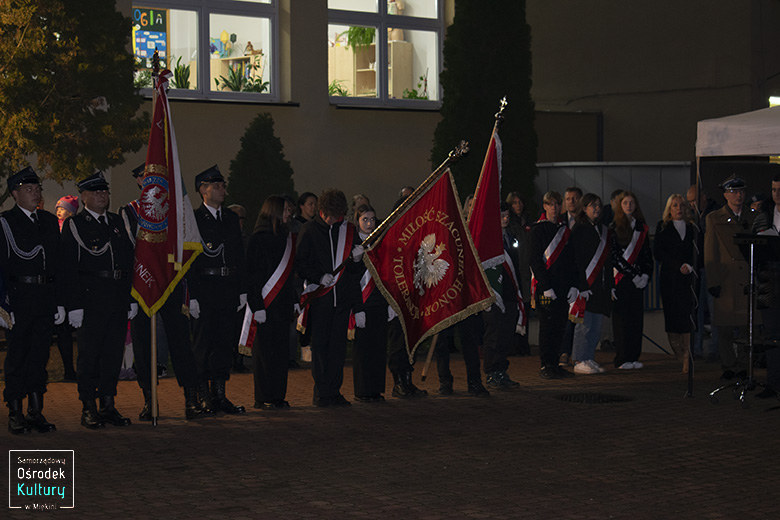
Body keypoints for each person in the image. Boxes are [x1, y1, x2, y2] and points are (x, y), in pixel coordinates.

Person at [120, 163, 205, 421]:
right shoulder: (129, 211)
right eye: (145, 178)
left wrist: (193, 294)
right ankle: (149, 400)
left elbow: (186, 252)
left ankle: (191, 398)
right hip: (142, 288)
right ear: (138, 182)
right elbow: (128, 252)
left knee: (181, 344)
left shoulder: (175, 212)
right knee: (144, 348)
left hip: (170, 285)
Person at [61, 171, 136, 429]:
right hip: (90, 299)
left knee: (112, 355)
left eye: (104, 191)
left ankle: (107, 404)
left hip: (116, 298)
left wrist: (130, 299)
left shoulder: (116, 223)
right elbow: (68, 268)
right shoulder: (75, 225)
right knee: (89, 356)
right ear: (83, 197)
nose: (102, 195)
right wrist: (74, 305)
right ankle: (88, 406)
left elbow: (127, 263)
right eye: (95, 192)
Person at [0, 167, 63, 434]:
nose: (35, 192)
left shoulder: (48, 221)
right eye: (28, 189)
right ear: (15, 194)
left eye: (37, 188)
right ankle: (15, 411)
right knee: (17, 356)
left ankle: (35, 411)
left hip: (45, 297)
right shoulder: (5, 222)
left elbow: (58, 263)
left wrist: (60, 300)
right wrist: (2, 304)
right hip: (19, 297)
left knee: (39, 355)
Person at [294, 188, 362, 407]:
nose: (333, 219)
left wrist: (358, 260)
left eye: (337, 215)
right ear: (322, 211)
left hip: (342, 300)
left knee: (338, 349)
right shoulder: (310, 230)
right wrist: (318, 276)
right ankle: (321, 392)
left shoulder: (349, 231)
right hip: (321, 299)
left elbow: (354, 274)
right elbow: (301, 263)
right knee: (321, 347)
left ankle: (334, 391)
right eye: (329, 215)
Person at [189, 165, 247, 414]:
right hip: (204, 288)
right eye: (216, 186)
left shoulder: (231, 218)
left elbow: (238, 256)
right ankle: (203, 396)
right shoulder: (193, 218)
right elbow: (189, 260)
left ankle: (219, 395)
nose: (222, 190)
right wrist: (191, 295)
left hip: (227, 287)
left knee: (224, 344)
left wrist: (241, 289)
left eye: (223, 186)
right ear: (203, 190)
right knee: (203, 345)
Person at [704, 174, 757, 380]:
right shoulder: (714, 218)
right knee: (725, 327)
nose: (739, 195)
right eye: (734, 192)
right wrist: (713, 281)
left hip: (747, 278)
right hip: (725, 278)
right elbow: (711, 252)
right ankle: (727, 365)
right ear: (725, 194)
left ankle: (744, 365)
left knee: (746, 326)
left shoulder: (753, 216)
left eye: (742, 191)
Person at [247, 196, 297, 410]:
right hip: (265, 306)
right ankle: (263, 396)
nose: (289, 214)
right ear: (274, 211)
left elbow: (291, 275)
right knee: (265, 355)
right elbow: (252, 275)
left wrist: (295, 300)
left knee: (280, 354)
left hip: (283, 306)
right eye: (285, 210)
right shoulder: (259, 238)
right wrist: (257, 305)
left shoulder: (287, 238)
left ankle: (278, 395)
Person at [528, 191, 577, 379]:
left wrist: (574, 285)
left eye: (558, 204)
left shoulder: (565, 230)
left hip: (564, 287)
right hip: (546, 288)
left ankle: (555, 363)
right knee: (547, 327)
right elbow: (534, 260)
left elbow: (572, 260)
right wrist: (546, 286)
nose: (555, 208)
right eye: (551, 204)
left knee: (560, 327)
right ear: (545, 206)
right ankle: (545, 365)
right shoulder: (537, 230)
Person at [610, 191, 653, 369]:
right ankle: (622, 358)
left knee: (636, 320)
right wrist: (633, 275)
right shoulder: (613, 227)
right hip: (622, 280)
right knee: (621, 321)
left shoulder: (641, 228)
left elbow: (647, 256)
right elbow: (615, 257)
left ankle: (634, 356)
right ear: (620, 205)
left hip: (638, 281)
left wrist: (645, 276)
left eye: (632, 202)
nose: (629, 205)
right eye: (625, 202)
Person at [570, 193, 612, 374]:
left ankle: (589, 357)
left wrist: (610, 285)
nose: (596, 208)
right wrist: (582, 285)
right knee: (584, 325)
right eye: (592, 205)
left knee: (596, 325)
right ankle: (579, 359)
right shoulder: (579, 229)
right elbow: (576, 260)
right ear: (584, 208)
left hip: (600, 286)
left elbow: (608, 260)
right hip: (586, 285)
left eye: (598, 205)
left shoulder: (602, 229)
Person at [654, 194, 696, 373]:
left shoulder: (693, 228)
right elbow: (659, 252)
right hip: (670, 279)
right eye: (675, 206)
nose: (678, 208)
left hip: (688, 280)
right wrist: (678, 265)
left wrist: (690, 265)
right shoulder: (663, 227)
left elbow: (698, 251)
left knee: (687, 318)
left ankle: (687, 356)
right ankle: (679, 353)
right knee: (672, 317)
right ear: (669, 209)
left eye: (681, 205)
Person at [482, 203, 522, 389]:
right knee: (494, 335)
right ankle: (492, 371)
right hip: (495, 294)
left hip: (510, 293)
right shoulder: (488, 241)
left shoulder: (510, 236)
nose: (505, 219)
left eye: (507, 215)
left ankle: (501, 370)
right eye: (501, 216)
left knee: (506, 335)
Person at [351, 205, 388, 402]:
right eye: (365, 219)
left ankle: (376, 389)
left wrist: (389, 303)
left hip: (379, 303)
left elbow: (386, 274)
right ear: (357, 221)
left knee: (379, 349)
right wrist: (355, 260)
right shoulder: (352, 243)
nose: (369, 223)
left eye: (372, 219)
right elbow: (351, 278)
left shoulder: (378, 242)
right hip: (362, 304)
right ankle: (363, 390)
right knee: (363, 350)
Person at [751, 173, 780, 397]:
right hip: (769, 282)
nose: (776, 194)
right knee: (771, 335)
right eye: (773, 190)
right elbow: (752, 245)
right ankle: (773, 383)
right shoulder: (764, 215)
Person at [686, 184, 720, 362]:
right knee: (696, 309)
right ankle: (697, 348)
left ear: (704, 197)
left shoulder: (715, 213)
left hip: (711, 266)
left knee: (714, 310)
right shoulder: (690, 216)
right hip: (695, 268)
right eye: (689, 201)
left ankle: (714, 348)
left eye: (694, 200)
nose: (692, 204)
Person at [54, 195, 79, 381]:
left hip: (73, 284)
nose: (58, 211)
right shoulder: (52, 227)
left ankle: (74, 368)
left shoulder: (75, 227)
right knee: (63, 331)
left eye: (62, 208)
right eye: (57, 208)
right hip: (58, 286)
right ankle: (68, 368)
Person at [505, 191, 531, 356]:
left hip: (527, 272)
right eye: (514, 203)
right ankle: (514, 344)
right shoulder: (510, 226)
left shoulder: (528, 222)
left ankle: (523, 343)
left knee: (526, 307)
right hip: (515, 271)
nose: (518, 205)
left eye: (520, 202)